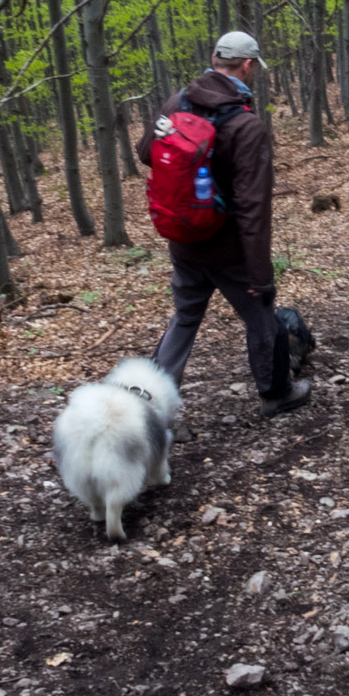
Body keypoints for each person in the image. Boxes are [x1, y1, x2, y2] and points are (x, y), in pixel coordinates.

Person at [137, 31, 312, 418]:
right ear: (248, 66)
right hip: (229, 247)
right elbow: (254, 208)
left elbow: (145, 152)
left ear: (214, 58)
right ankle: (276, 393)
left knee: (184, 318)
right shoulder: (247, 127)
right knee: (261, 316)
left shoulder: (176, 102)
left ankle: (151, 406)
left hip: (183, 236)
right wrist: (260, 274)